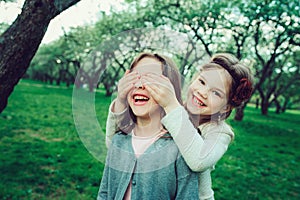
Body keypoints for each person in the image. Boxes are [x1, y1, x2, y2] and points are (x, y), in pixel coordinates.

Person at [106, 53, 254, 200]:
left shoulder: (219, 133)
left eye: (216, 93)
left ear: (225, 108)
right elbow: (116, 146)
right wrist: (120, 101)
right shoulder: (175, 112)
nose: (202, 93)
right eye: (202, 82)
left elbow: (199, 161)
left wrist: (171, 104)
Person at [98, 52, 199, 199]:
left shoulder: (180, 150)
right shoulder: (118, 141)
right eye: (135, 77)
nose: (139, 85)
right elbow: (104, 193)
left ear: (170, 90)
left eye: (151, 79)